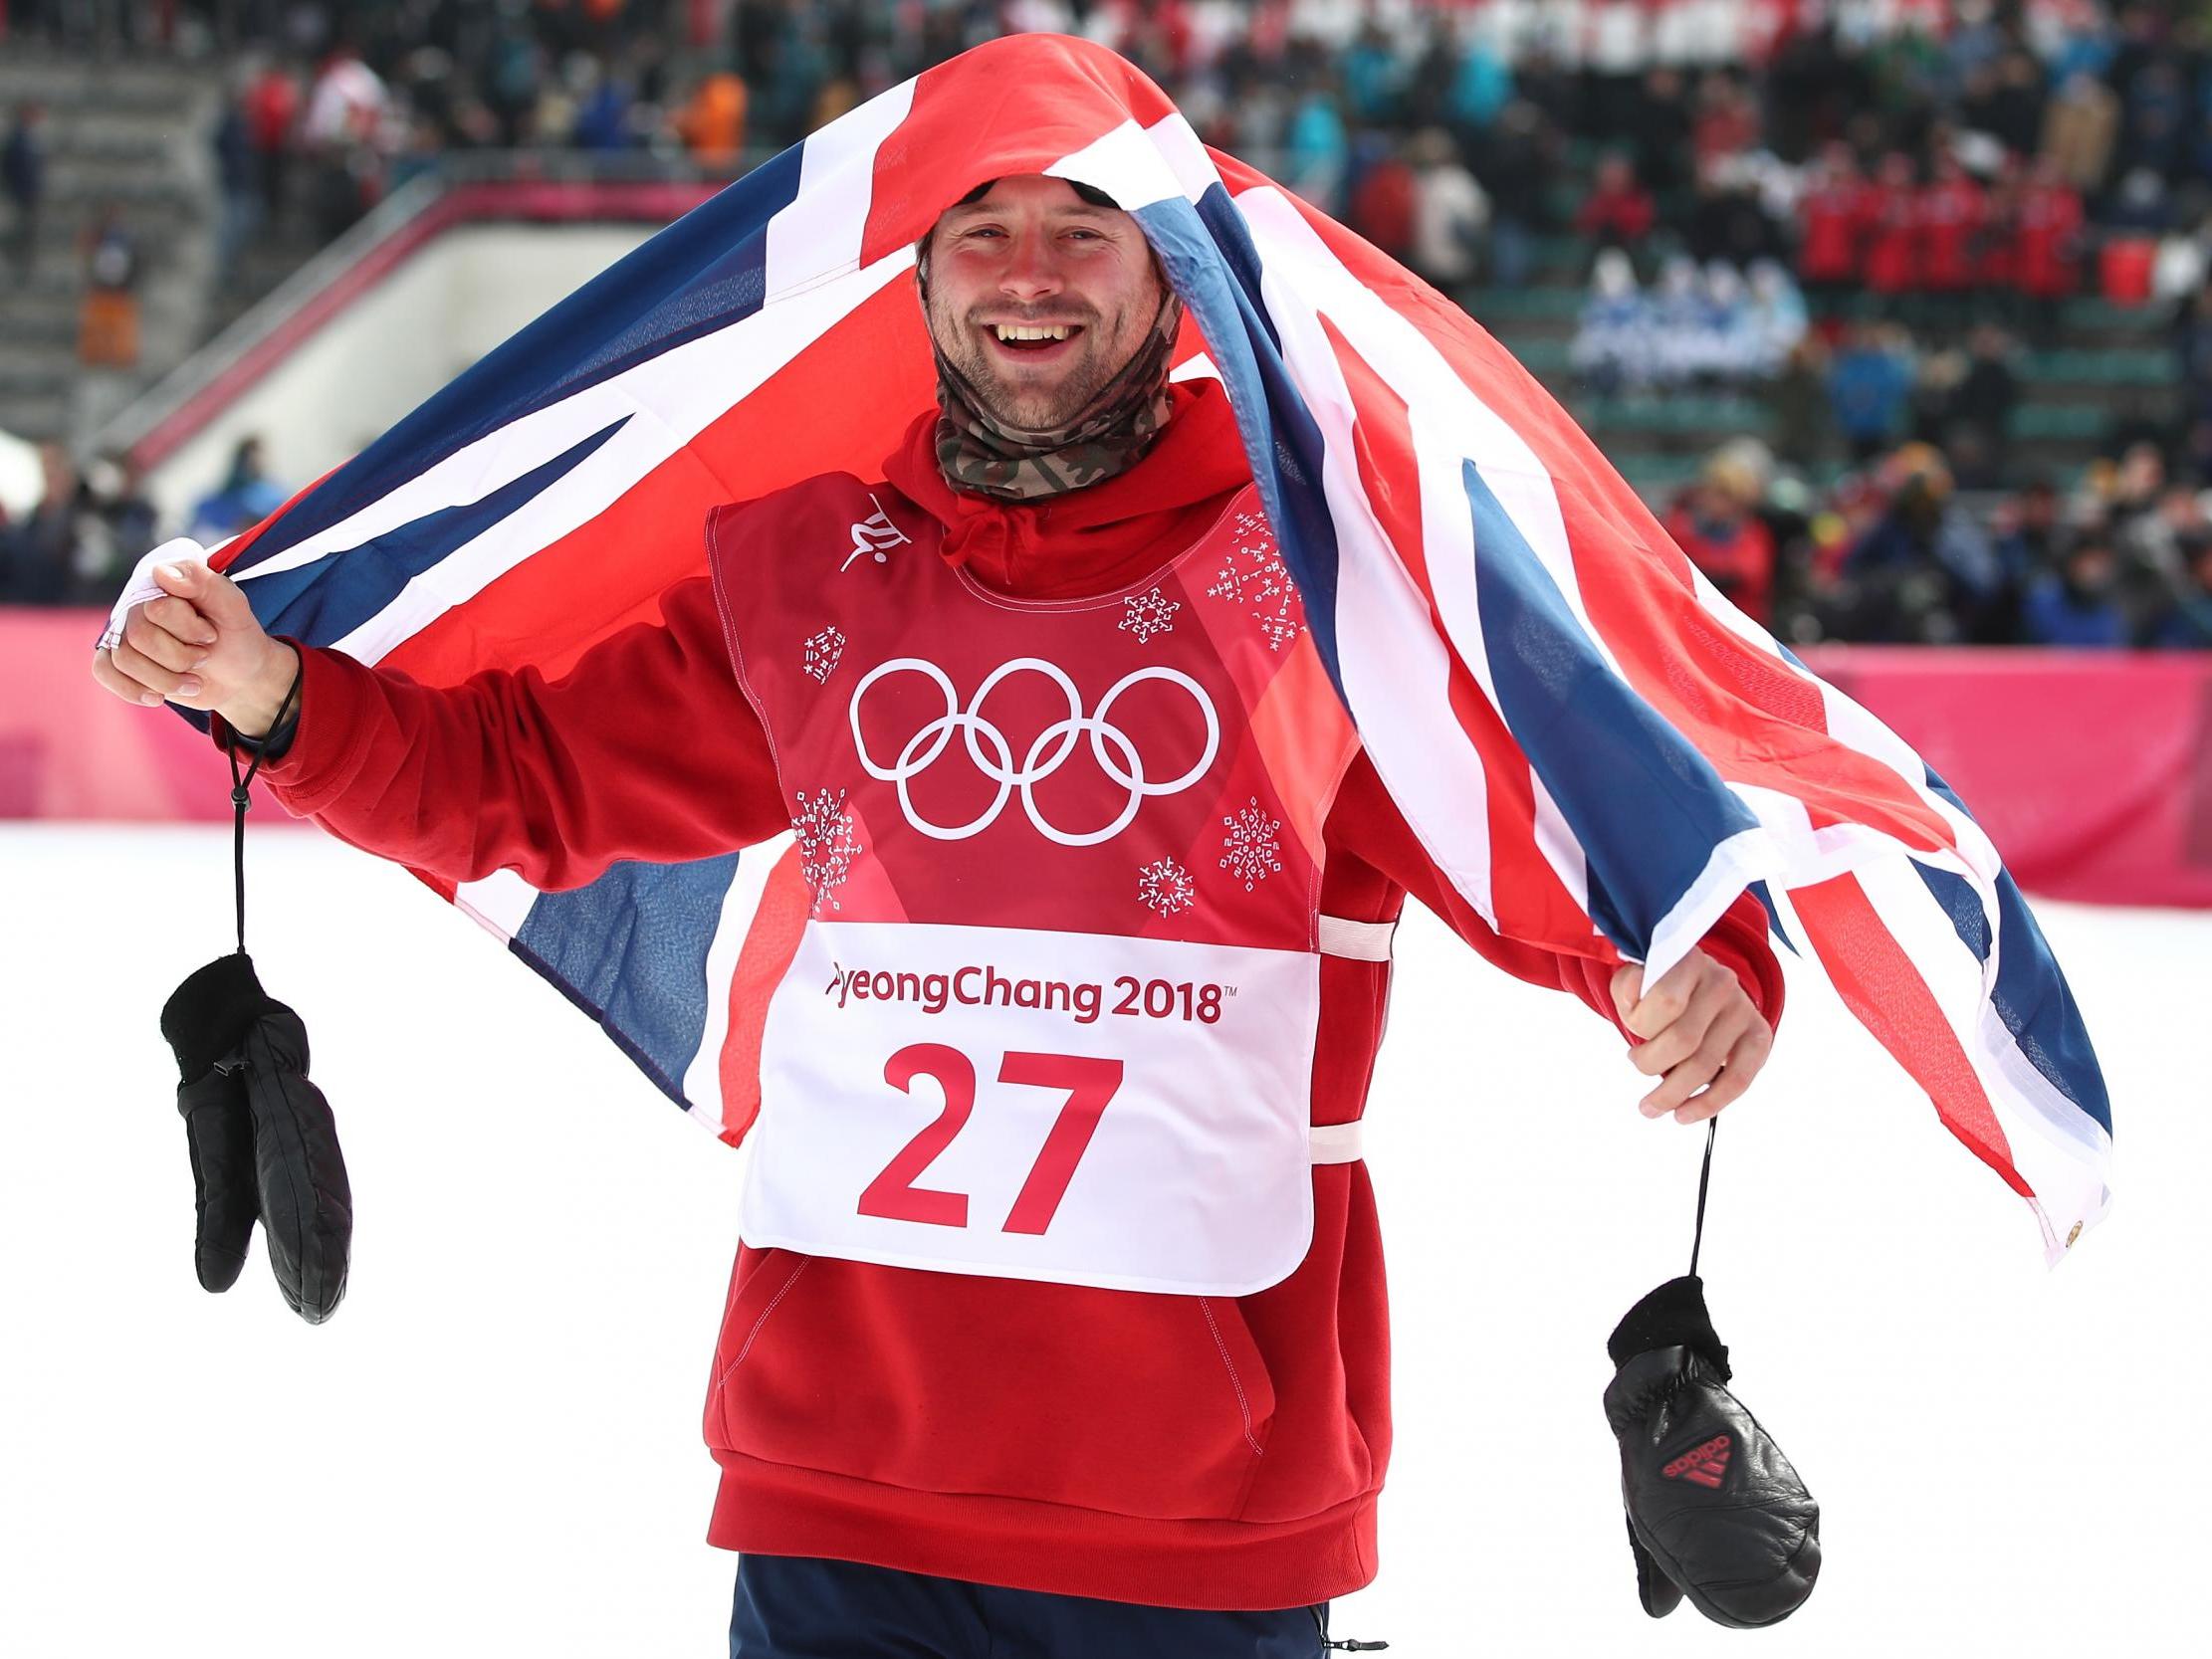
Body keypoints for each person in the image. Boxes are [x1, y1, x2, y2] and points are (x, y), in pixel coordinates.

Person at [94, 173, 1783, 1657]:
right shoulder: (813, 580)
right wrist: (279, 695)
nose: (1027, 273)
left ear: (1171, 274)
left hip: (1198, 1519)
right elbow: (520, 778)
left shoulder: (1316, 583)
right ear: (919, 280)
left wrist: (1702, 972)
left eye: (1079, 231)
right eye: (981, 233)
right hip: (839, 1498)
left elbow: (1566, 843)